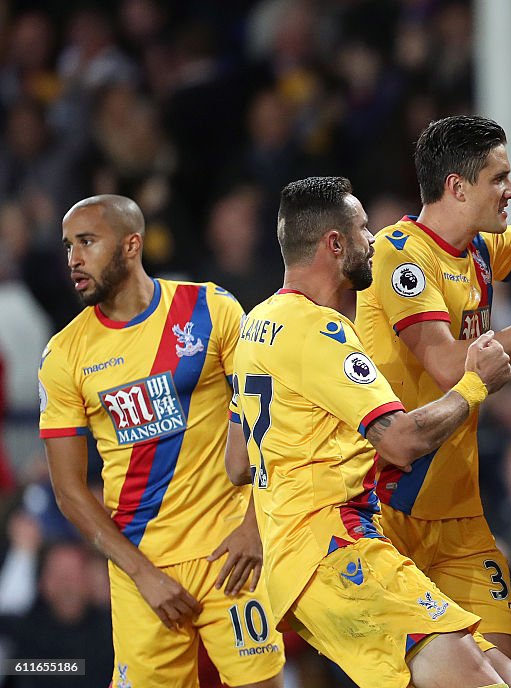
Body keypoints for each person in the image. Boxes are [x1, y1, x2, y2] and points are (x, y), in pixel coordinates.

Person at [227, 176, 511, 688]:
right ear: (335, 244)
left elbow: (238, 462)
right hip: (336, 549)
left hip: (304, 564)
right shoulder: (319, 332)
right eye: (365, 229)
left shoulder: (257, 325)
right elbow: (401, 441)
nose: (374, 239)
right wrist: (475, 384)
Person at [356, 115, 511, 662]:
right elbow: (450, 365)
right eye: (500, 178)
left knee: (506, 666)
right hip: (388, 508)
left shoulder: (482, 249)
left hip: (460, 514)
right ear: (457, 187)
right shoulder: (399, 255)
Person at [38, 195, 284, 687]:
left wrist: (256, 527)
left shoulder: (210, 309)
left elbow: (270, 425)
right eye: (68, 245)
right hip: (141, 567)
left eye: (87, 242)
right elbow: (68, 491)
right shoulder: (64, 355)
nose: (73, 258)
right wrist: (143, 575)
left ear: (132, 245)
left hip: (231, 553)